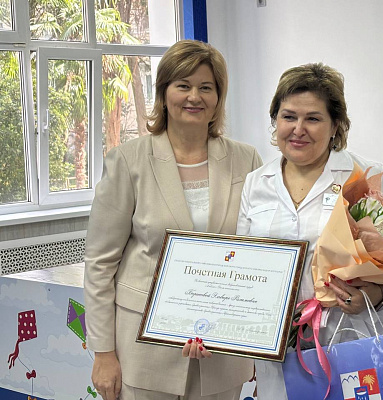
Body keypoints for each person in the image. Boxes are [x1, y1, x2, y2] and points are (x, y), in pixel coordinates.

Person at [84, 40, 262, 400]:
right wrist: (103, 352)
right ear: (164, 94)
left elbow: (258, 253)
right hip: (144, 349)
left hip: (223, 348)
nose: (194, 96)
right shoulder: (129, 161)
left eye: (206, 87)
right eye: (183, 85)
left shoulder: (246, 161)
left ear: (218, 98)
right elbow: (100, 263)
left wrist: (260, 341)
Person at [236, 63, 383, 399]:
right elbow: (245, 264)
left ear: (336, 126)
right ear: (275, 121)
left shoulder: (364, 175)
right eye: (288, 116)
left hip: (352, 338)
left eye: (313, 118)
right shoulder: (257, 182)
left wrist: (375, 295)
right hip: (281, 346)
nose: (298, 129)